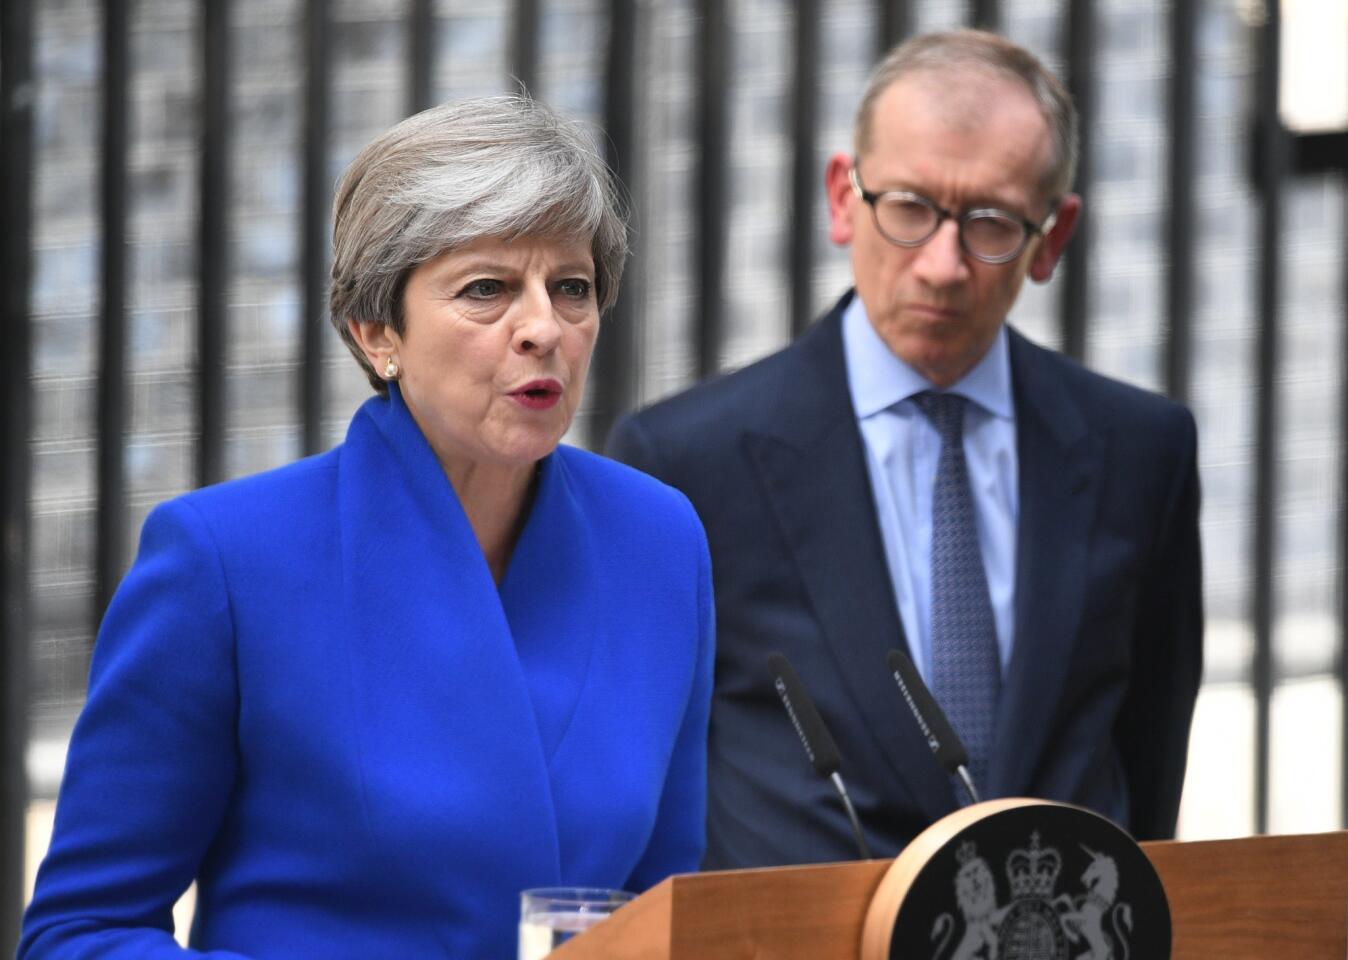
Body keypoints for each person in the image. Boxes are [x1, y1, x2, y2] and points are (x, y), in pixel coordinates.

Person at [21, 96, 714, 958]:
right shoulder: (226, 561)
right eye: (487, 290)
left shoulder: (659, 540)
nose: (543, 328)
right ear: (376, 330)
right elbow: (81, 934)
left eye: (570, 288)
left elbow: (670, 910)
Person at [607, 29, 1202, 869]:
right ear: (845, 199)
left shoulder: (1143, 452)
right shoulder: (685, 462)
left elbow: (1149, 759)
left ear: (1054, 238)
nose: (943, 265)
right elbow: (635, 790)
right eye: (911, 209)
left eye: (991, 222)